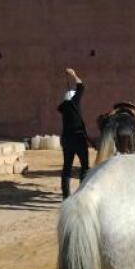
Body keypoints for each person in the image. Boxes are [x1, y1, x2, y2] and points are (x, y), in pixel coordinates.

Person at [57, 68, 90, 199]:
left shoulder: (63, 108)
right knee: (85, 167)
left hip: (66, 140)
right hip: (79, 138)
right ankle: (82, 193)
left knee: (67, 169)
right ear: (73, 98)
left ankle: (66, 196)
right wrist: (74, 74)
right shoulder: (74, 103)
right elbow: (81, 86)